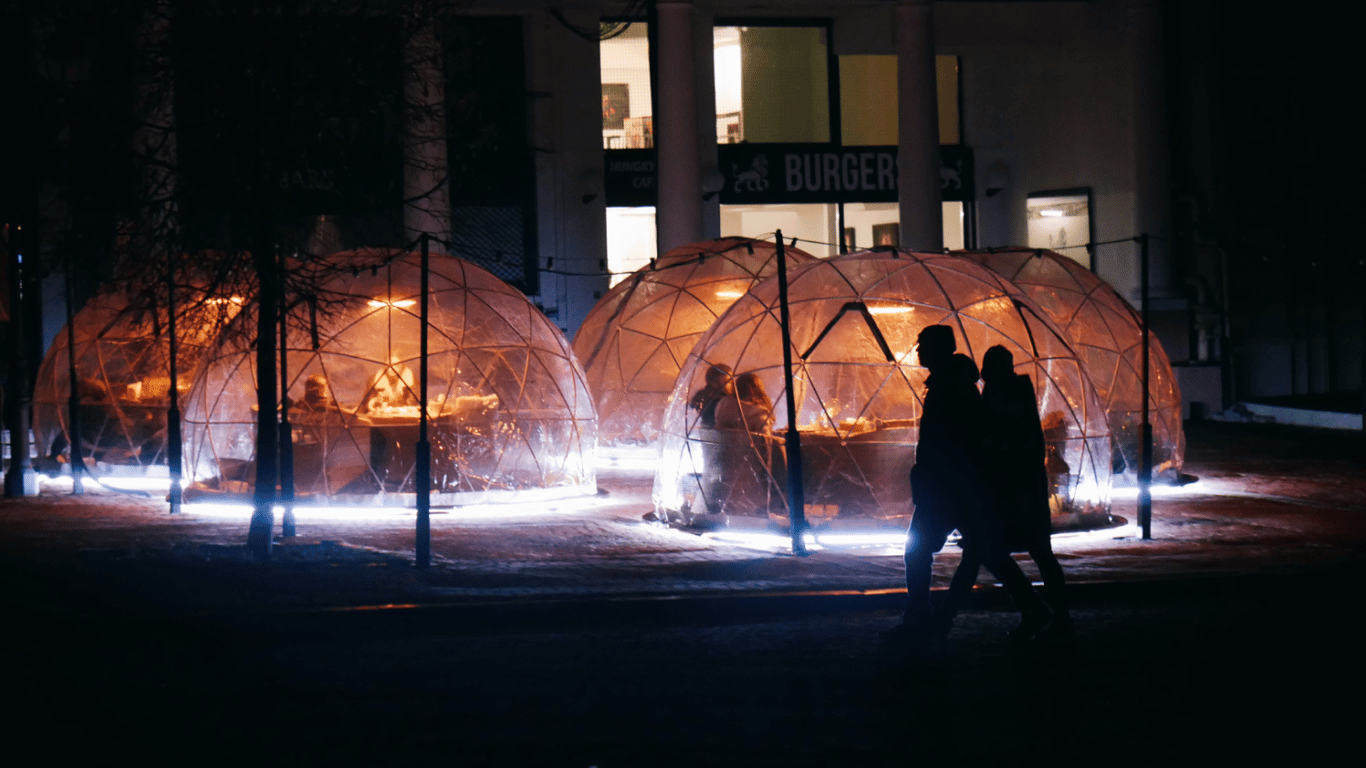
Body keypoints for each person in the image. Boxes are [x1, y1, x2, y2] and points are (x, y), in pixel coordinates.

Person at [886, 325, 1051, 653]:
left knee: (920, 552)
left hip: (948, 488)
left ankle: (919, 620)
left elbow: (955, 441)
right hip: (954, 486)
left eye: (923, 345)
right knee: (985, 550)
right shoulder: (953, 384)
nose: (917, 351)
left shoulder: (951, 388)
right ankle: (1031, 606)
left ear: (939, 349)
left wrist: (936, 477)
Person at [936, 345, 1074, 639]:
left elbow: (994, 449)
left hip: (1012, 494)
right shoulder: (1013, 394)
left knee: (988, 551)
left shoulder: (1002, 397)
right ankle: (1048, 614)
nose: (983, 375)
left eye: (987, 369)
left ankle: (1042, 613)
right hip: (1022, 492)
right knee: (1022, 553)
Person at [687, 363, 733, 428]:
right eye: (729, 381)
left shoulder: (703, 397)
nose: (732, 384)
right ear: (715, 382)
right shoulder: (723, 402)